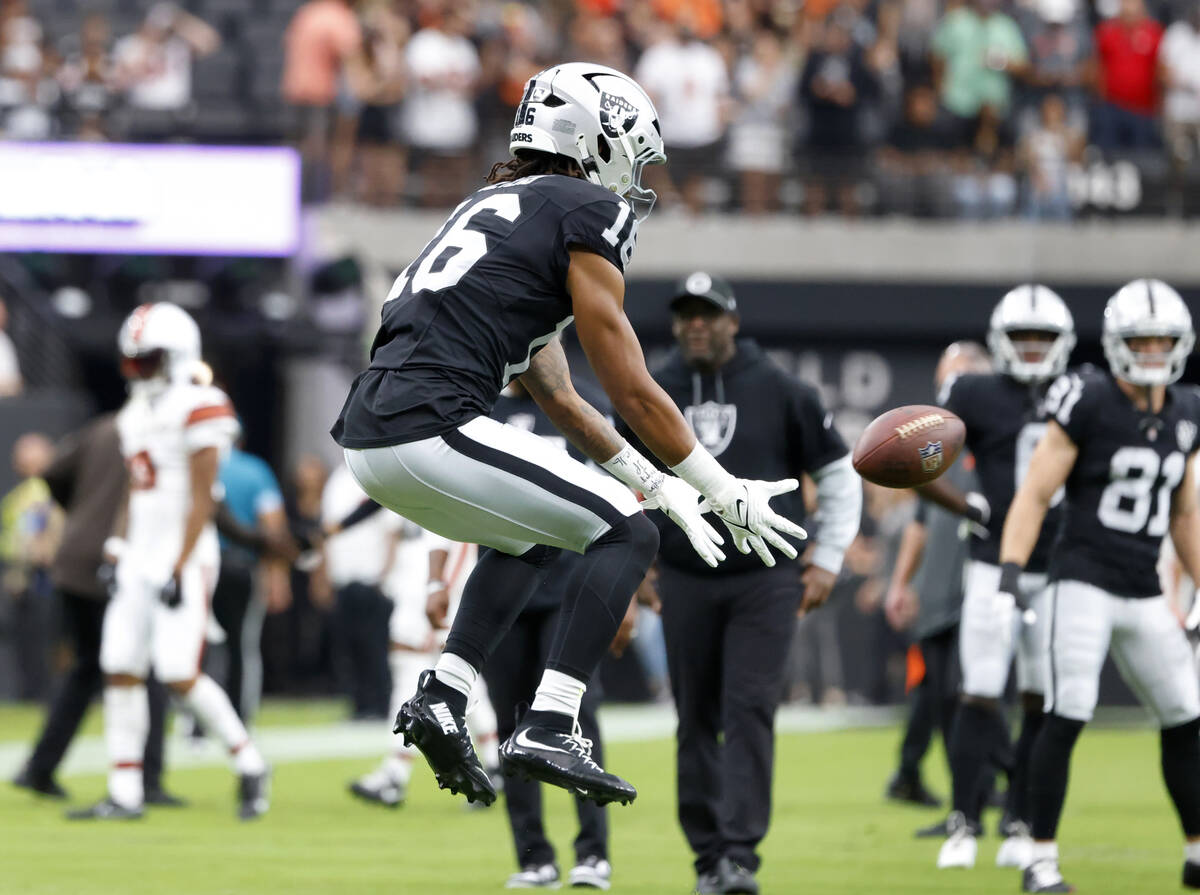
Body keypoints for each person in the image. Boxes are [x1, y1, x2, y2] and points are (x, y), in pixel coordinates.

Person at [330, 62, 806, 810]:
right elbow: (629, 385)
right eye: (636, 154)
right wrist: (719, 486)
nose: (637, 179)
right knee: (627, 533)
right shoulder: (585, 208)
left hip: (374, 433)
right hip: (426, 422)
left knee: (537, 533)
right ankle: (552, 720)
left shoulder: (497, 207)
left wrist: (657, 482)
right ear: (599, 136)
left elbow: (558, 393)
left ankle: (444, 694)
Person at [614, 271, 861, 895]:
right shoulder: (653, 387)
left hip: (766, 577)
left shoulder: (782, 390)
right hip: (684, 577)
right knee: (694, 715)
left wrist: (828, 556)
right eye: (686, 314)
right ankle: (707, 857)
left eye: (709, 313)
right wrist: (634, 565)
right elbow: (620, 482)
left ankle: (740, 855)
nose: (696, 323)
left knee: (748, 708)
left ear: (733, 320)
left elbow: (836, 474)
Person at [1001, 279, 1200, 893]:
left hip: (1143, 586)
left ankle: (1197, 850)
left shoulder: (1187, 410)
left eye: (1162, 339)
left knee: (1187, 716)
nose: (1151, 351)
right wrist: (1010, 569)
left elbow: (1185, 513)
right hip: (1081, 580)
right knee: (1067, 713)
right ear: (1117, 344)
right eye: (1140, 340)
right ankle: (1039, 859)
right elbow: (1035, 490)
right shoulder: (1087, 399)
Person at [68, 302, 269, 821]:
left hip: (183, 555)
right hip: (138, 554)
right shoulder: (136, 414)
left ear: (178, 356)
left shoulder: (201, 404)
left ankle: (247, 760)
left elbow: (203, 498)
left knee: (179, 672)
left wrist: (178, 564)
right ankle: (125, 790)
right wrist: (117, 547)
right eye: (132, 361)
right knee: (119, 667)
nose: (138, 370)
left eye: (148, 359)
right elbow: (136, 493)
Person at [923, 285, 1076, 871]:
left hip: (1062, 567)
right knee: (981, 689)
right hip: (993, 562)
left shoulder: (1080, 392)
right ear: (1000, 341)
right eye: (1022, 337)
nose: (1033, 348)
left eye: (1044, 338)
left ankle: (1021, 817)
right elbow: (918, 454)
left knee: (1043, 696)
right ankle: (965, 819)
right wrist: (966, 507)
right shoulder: (974, 391)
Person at [485, 378, 623, 890]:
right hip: (500, 586)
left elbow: (614, 497)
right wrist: (438, 576)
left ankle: (593, 852)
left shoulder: (578, 403)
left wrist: (620, 589)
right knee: (511, 720)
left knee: (575, 716)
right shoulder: (479, 401)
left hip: (568, 586)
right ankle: (533, 855)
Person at [10, 415, 176, 804]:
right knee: (143, 667)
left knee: (85, 667)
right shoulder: (161, 429)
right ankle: (147, 779)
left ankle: (39, 768)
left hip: (71, 559)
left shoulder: (102, 427)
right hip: (117, 560)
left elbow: (50, 472)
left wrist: (79, 513)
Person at [884, 341, 991, 809]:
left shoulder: (996, 438)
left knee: (973, 694)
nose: (953, 388)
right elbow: (920, 524)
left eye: (963, 376)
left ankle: (994, 790)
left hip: (985, 585)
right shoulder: (936, 446)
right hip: (938, 591)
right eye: (947, 377)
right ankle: (967, 799)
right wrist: (900, 582)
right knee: (941, 694)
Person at [349, 528, 502, 809]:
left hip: (435, 601)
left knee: (449, 683)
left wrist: (440, 601)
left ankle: (395, 775)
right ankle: (494, 762)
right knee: (460, 684)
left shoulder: (447, 493)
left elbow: (459, 542)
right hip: (417, 593)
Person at [321, 460, 402, 719]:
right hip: (343, 577)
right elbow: (327, 531)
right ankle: (358, 704)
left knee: (374, 646)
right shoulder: (336, 480)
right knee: (349, 647)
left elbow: (392, 530)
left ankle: (379, 704)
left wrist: (386, 575)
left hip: (372, 578)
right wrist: (325, 575)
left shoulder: (377, 473)